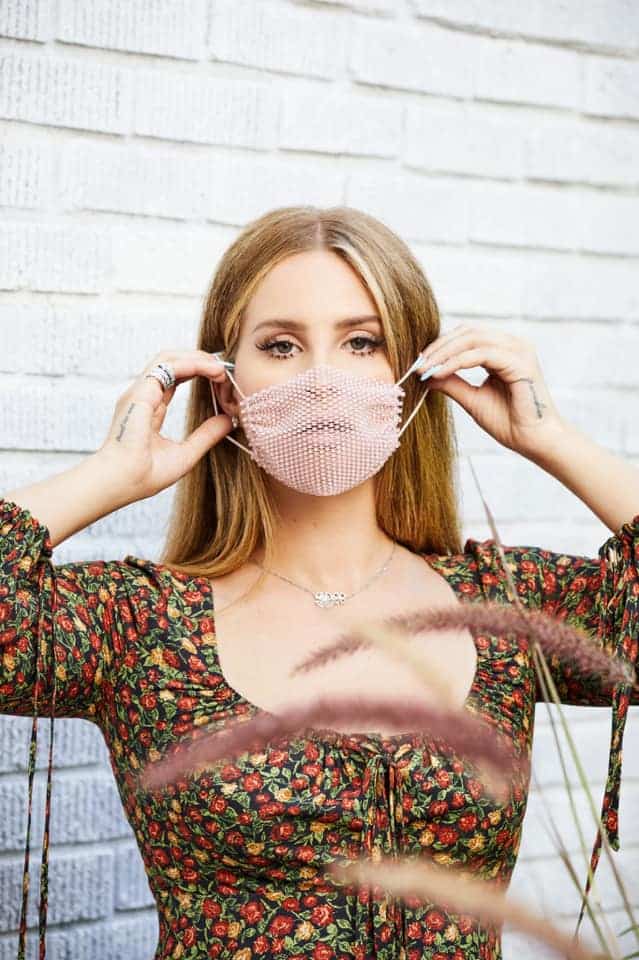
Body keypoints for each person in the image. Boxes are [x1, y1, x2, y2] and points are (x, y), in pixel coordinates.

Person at [1, 206, 637, 960]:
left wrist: (550, 438)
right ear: (227, 389)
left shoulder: (501, 601)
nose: (322, 380)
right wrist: (113, 472)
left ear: (414, 377)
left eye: (361, 342)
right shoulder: (141, 622)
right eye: (281, 346)